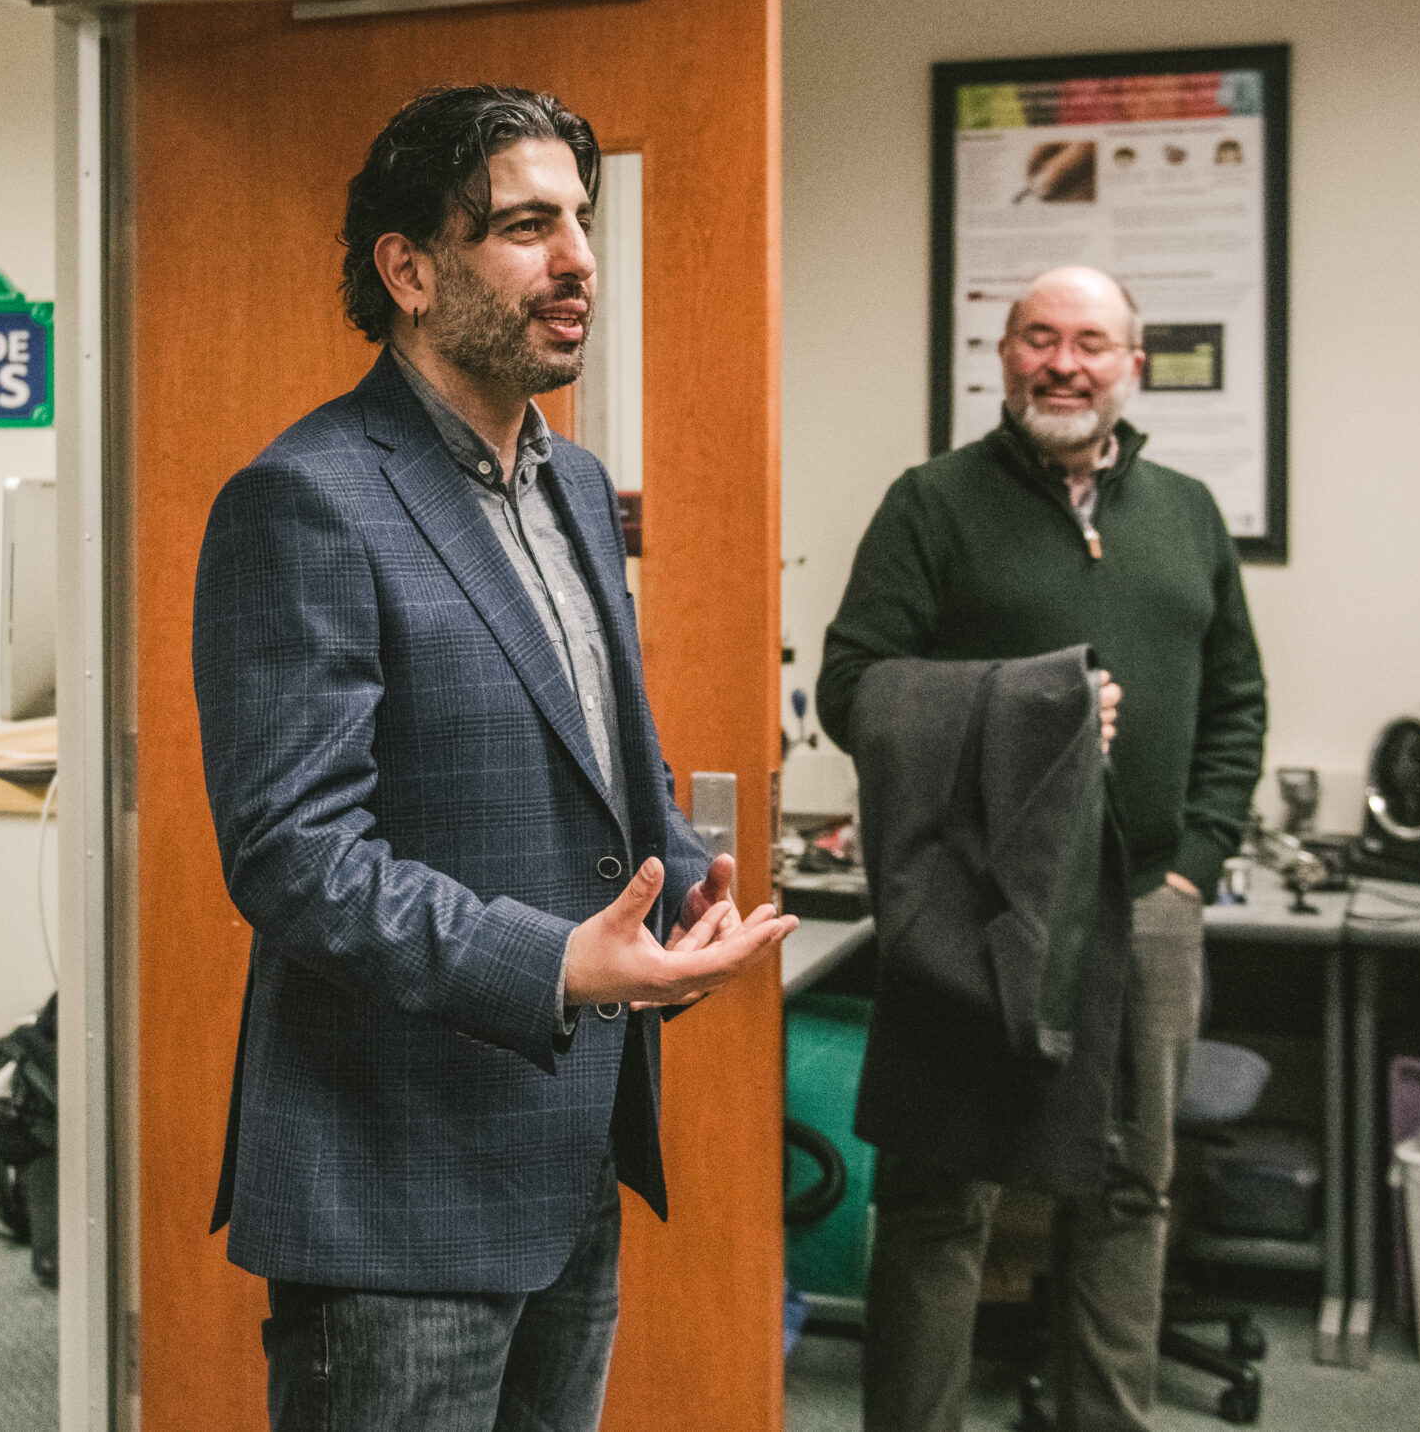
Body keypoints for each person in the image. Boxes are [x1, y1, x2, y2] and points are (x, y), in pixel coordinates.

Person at [192, 84, 795, 1432]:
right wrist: (559, 961)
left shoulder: (569, 481)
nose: (579, 259)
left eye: (581, 220)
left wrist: (675, 875)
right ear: (409, 269)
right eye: (527, 226)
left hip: (566, 1152)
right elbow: (296, 858)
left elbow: (583, 755)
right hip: (396, 1189)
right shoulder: (305, 499)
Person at [819, 264, 1266, 1432]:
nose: (1062, 361)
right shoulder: (932, 502)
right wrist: (1031, 706)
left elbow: (1237, 701)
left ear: (1132, 363)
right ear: (1004, 352)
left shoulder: (1187, 514)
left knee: (1128, 1189)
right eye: (1037, 337)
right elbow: (852, 688)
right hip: (976, 907)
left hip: (1145, 903)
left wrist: (1195, 859)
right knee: (937, 1192)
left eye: (1089, 341)